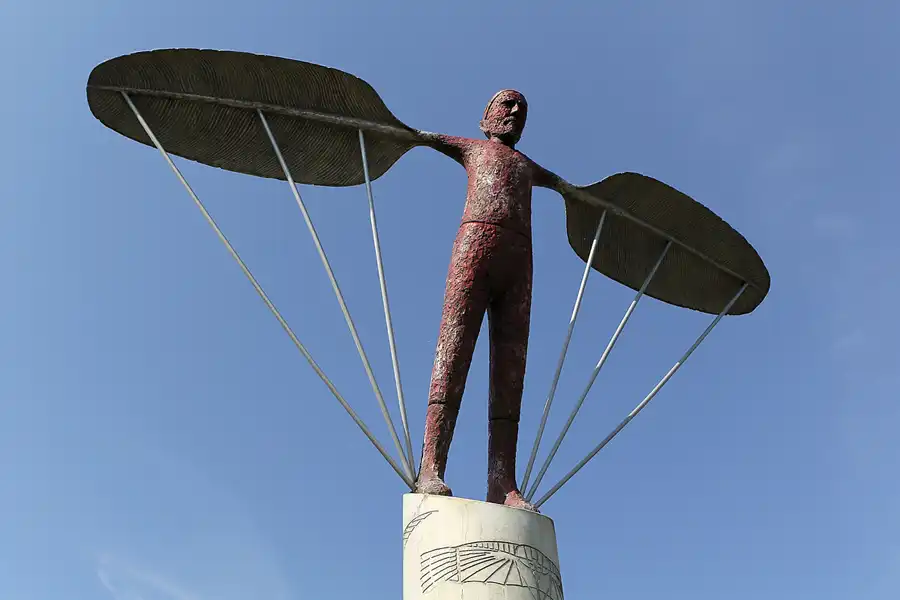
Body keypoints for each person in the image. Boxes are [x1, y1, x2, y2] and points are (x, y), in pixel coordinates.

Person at [413, 90, 567, 512]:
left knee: (510, 373)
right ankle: (431, 465)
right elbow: (425, 137)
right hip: (474, 246)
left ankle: (503, 482)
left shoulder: (528, 167)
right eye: (507, 104)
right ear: (485, 118)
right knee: (453, 353)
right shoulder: (472, 149)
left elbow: (563, 186)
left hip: (519, 260)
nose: (515, 111)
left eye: (522, 109)